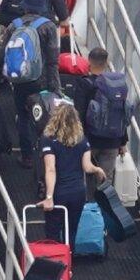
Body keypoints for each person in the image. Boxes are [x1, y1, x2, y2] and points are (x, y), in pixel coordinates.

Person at [0, 0, 61, 168]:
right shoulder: (49, 27)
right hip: (42, 80)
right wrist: (55, 87)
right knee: (44, 116)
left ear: (25, 6)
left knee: (23, 116)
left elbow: (2, 57)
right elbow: (53, 60)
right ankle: (46, 155)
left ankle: (27, 157)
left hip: (20, 80)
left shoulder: (14, 26)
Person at [40, 103, 106, 245]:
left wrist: (49, 197)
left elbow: (50, 169)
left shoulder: (48, 140)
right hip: (78, 193)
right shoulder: (82, 140)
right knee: (72, 230)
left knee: (53, 231)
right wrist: (97, 169)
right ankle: (69, 259)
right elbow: (87, 167)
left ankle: (56, 262)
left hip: (59, 192)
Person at [77, 47, 130, 197]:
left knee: (84, 177)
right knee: (106, 182)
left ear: (89, 61)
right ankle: (103, 215)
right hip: (112, 141)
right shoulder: (116, 85)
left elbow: (79, 114)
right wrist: (122, 142)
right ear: (106, 63)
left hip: (89, 141)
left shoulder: (85, 84)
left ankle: (86, 212)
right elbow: (122, 113)